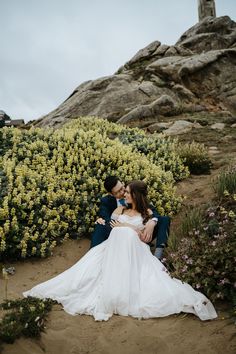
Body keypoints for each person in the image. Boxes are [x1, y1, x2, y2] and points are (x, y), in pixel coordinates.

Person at [23, 180, 217, 322]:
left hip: (136, 248)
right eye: (122, 193)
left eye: (127, 192)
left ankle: (134, 273)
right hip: (117, 245)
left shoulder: (147, 212)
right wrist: (130, 228)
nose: (124, 195)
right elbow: (114, 226)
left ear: (135, 195)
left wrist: (149, 224)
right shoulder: (119, 210)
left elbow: (144, 229)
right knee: (121, 234)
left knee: (126, 235)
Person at [90, 176, 170, 259]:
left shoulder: (133, 191)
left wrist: (153, 222)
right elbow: (107, 220)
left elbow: (153, 212)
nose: (123, 192)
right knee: (100, 225)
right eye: (117, 192)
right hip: (120, 236)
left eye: (122, 188)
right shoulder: (106, 201)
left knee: (164, 219)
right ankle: (92, 257)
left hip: (142, 236)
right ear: (111, 194)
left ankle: (158, 256)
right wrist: (101, 220)